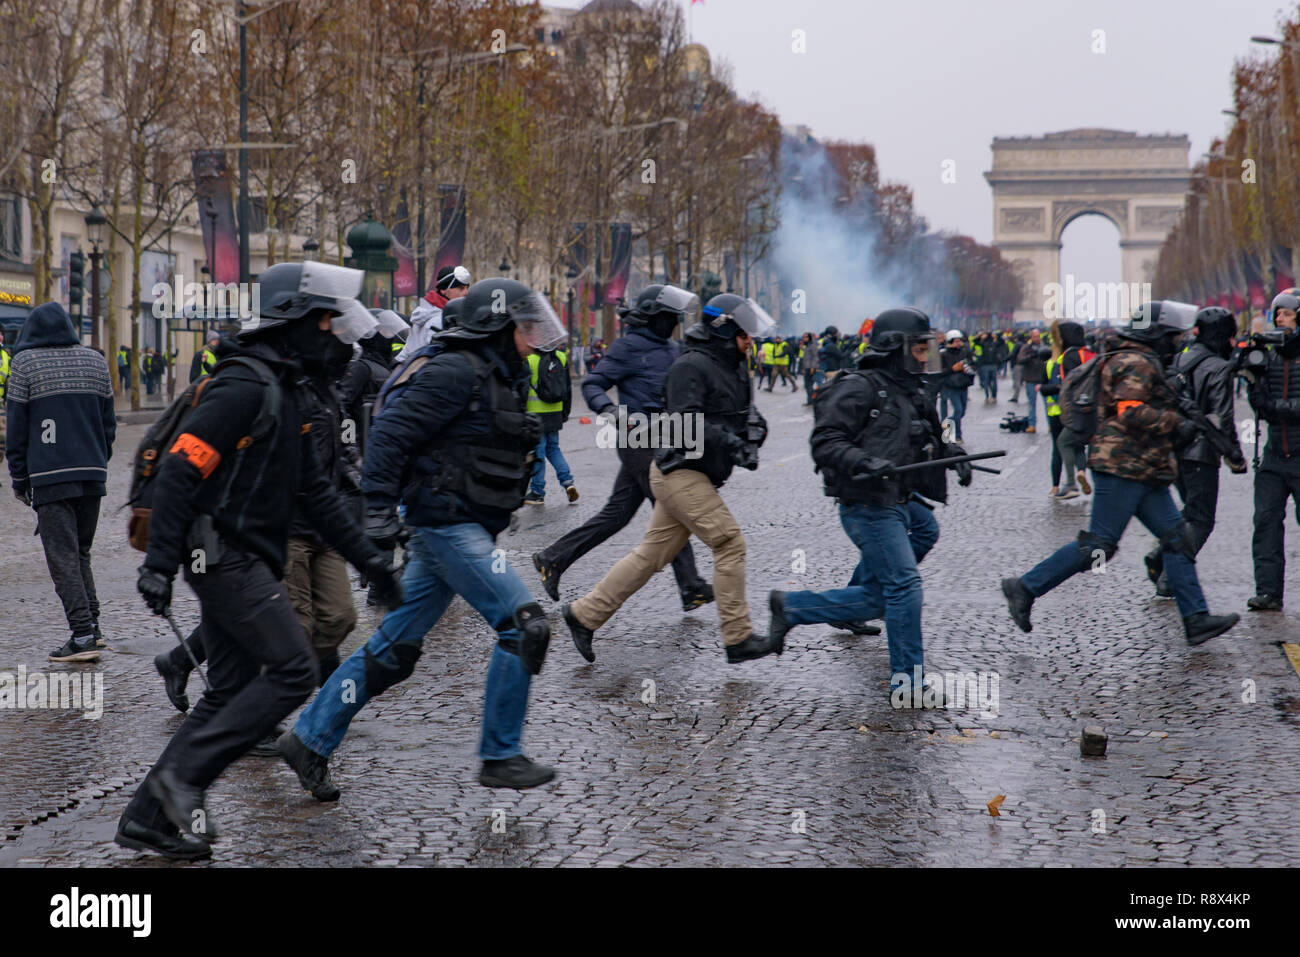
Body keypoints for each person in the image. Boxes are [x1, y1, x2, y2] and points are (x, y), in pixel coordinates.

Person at [116, 261, 403, 860]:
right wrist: (160, 563)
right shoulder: (245, 384)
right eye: (327, 322)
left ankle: (148, 818)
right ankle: (180, 784)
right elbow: (179, 469)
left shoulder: (291, 387)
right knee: (294, 670)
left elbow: (315, 495)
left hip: (244, 555)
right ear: (296, 323)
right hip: (220, 556)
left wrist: (370, 561)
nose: (337, 335)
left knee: (228, 690)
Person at [278, 277, 563, 797]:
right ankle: (501, 755)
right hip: (445, 523)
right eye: (523, 325)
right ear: (496, 327)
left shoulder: (501, 371)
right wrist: (381, 516)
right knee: (524, 626)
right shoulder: (453, 370)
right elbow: (389, 435)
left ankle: (309, 739)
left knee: (392, 650)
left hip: (463, 526)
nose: (532, 335)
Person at [1000, 301, 1240, 647]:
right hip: (1122, 466)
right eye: (1173, 336)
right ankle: (1024, 587)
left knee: (1178, 539)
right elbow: (1131, 410)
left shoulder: (1135, 358)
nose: (1178, 342)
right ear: (1157, 334)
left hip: (1144, 467)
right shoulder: (1135, 362)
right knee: (1099, 545)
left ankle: (1196, 619)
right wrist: (1177, 425)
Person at [560, 294, 781, 665]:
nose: (750, 342)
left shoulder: (734, 364)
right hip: (679, 470)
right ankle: (738, 637)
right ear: (724, 330)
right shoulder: (689, 367)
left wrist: (755, 433)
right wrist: (730, 443)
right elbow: (686, 422)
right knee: (729, 543)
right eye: (745, 335)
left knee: (651, 555)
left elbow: (747, 411)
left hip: (700, 472)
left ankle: (584, 614)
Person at [767, 309, 973, 705]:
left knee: (916, 547)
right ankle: (908, 686)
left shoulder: (913, 389)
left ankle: (793, 607)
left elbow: (932, 435)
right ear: (894, 348)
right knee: (904, 589)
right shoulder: (860, 388)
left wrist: (954, 454)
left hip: (899, 497)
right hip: (867, 502)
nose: (923, 355)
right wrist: (864, 461)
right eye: (916, 347)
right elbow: (825, 440)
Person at [532, 284, 713, 611]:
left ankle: (552, 559)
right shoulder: (627, 347)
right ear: (653, 318)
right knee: (674, 508)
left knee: (616, 515)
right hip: (638, 441)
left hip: (665, 438)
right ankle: (691, 586)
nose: (674, 322)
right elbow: (593, 383)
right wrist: (612, 411)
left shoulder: (673, 348)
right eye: (669, 317)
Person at [5, 302, 116, 662]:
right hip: (92, 474)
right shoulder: (96, 361)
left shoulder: (24, 364)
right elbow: (108, 425)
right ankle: (93, 629)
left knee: (63, 557)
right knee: (80, 552)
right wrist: (97, 460)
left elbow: (17, 430)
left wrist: (20, 478)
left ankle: (82, 635)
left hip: (51, 477)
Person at [1142, 306, 1246, 597]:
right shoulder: (1219, 367)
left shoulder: (1180, 357)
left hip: (1174, 446)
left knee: (1188, 513)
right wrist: (1234, 456)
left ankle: (1160, 555)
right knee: (1201, 520)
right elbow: (1222, 420)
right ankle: (1170, 576)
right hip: (1201, 453)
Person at [1245, 288, 1300, 610]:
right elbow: (1259, 405)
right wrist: (1253, 380)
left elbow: (1275, 406)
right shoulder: (1268, 355)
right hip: (1273, 457)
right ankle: (1268, 592)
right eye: (1276, 314)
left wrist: (1277, 406)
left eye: (1287, 314)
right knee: (1265, 525)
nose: (1279, 319)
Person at [396, 264, 470, 362]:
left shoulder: (430, 312)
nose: (466, 292)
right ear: (444, 290)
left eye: (467, 288)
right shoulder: (438, 320)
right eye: (461, 288)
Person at [938, 329, 972, 441]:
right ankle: (957, 435)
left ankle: (946, 426)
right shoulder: (944, 354)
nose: (958, 343)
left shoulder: (966, 351)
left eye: (959, 340)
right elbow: (940, 372)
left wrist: (968, 369)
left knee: (962, 412)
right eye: (956, 341)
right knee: (958, 409)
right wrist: (952, 369)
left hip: (963, 384)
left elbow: (973, 364)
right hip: (951, 386)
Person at [1016, 328, 1048, 432]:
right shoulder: (1026, 347)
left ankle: (1050, 424)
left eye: (1038, 336)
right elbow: (1019, 359)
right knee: (1031, 404)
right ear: (1031, 337)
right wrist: (1030, 356)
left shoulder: (1045, 347)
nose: (1037, 338)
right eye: (1035, 336)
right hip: (1030, 379)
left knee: (1048, 404)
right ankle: (1032, 425)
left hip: (1043, 380)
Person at [799, 331, 820, 405]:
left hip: (810, 368)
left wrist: (812, 367)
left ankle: (812, 400)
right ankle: (810, 400)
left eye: (806, 337)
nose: (804, 339)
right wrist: (802, 348)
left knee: (808, 385)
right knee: (807, 385)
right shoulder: (808, 345)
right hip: (807, 367)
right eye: (803, 337)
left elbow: (815, 356)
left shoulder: (813, 345)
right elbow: (808, 354)